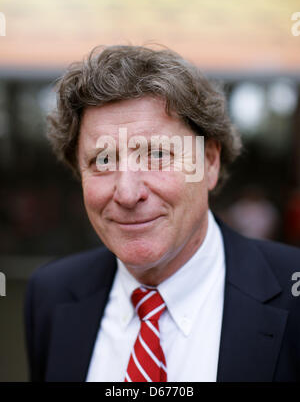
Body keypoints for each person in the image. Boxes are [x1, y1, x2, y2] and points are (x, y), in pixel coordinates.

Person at [24, 45, 300, 382]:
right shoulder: (51, 295)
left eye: (156, 154)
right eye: (103, 161)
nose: (127, 193)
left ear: (210, 161)